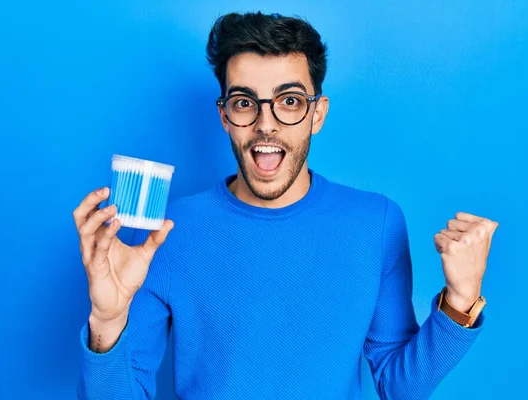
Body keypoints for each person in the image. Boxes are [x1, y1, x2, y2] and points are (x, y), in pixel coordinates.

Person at [74, 11, 498, 400]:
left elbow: (397, 384)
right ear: (224, 116)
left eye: (289, 101)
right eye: (244, 103)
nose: (266, 123)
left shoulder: (377, 223)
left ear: (317, 114)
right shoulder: (168, 232)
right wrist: (108, 320)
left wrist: (461, 300)